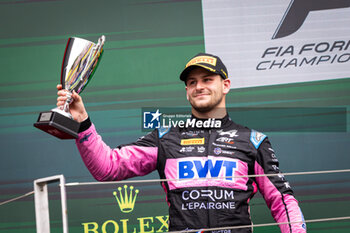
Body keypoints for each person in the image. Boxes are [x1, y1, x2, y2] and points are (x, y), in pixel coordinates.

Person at [57, 53, 306, 233]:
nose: (199, 86)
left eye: (208, 79)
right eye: (192, 82)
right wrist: (82, 120)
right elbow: (107, 167)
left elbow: (283, 201)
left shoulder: (252, 140)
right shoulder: (165, 139)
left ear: (226, 85)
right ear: (187, 91)